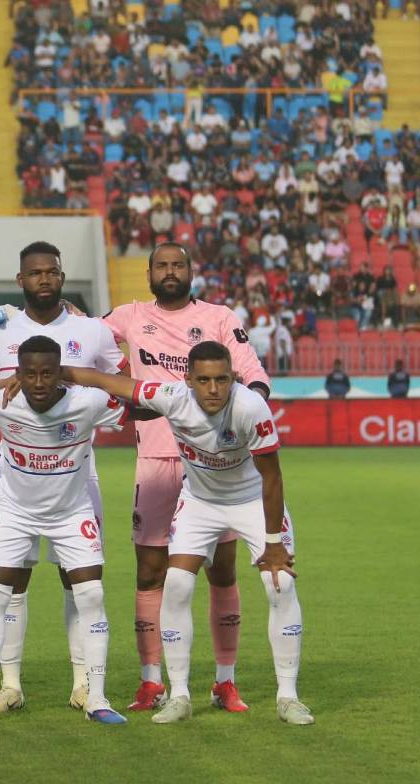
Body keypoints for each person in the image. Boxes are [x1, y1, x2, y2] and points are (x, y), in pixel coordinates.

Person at [30, 342, 311, 725]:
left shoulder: (250, 407)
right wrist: (60, 373)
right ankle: (179, 695)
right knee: (177, 584)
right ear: (188, 380)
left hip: (250, 500)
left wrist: (275, 544)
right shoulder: (171, 397)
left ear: (234, 378)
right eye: (205, 380)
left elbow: (273, 477)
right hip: (199, 501)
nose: (214, 389)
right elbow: (114, 383)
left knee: (280, 585)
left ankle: (288, 697)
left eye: (222, 380)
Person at [99, 242, 271, 713]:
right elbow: (81, 339)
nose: (170, 272)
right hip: (156, 462)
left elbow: (253, 374)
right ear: (148, 272)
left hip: (216, 465)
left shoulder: (218, 317)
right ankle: (151, 680)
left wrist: (245, 411)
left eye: (178, 265)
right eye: (162, 266)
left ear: (191, 271)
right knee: (152, 571)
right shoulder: (130, 316)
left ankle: (225, 680)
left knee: (222, 569)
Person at [0, 240, 126, 714]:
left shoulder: (92, 331)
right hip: (15, 472)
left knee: (81, 584)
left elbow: (122, 385)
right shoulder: (0, 327)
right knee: (13, 581)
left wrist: (72, 378)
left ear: (62, 277)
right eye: (35, 274)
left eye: (51, 272)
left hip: (76, 471)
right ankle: (7, 685)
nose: (44, 280)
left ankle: (85, 687)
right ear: (21, 280)